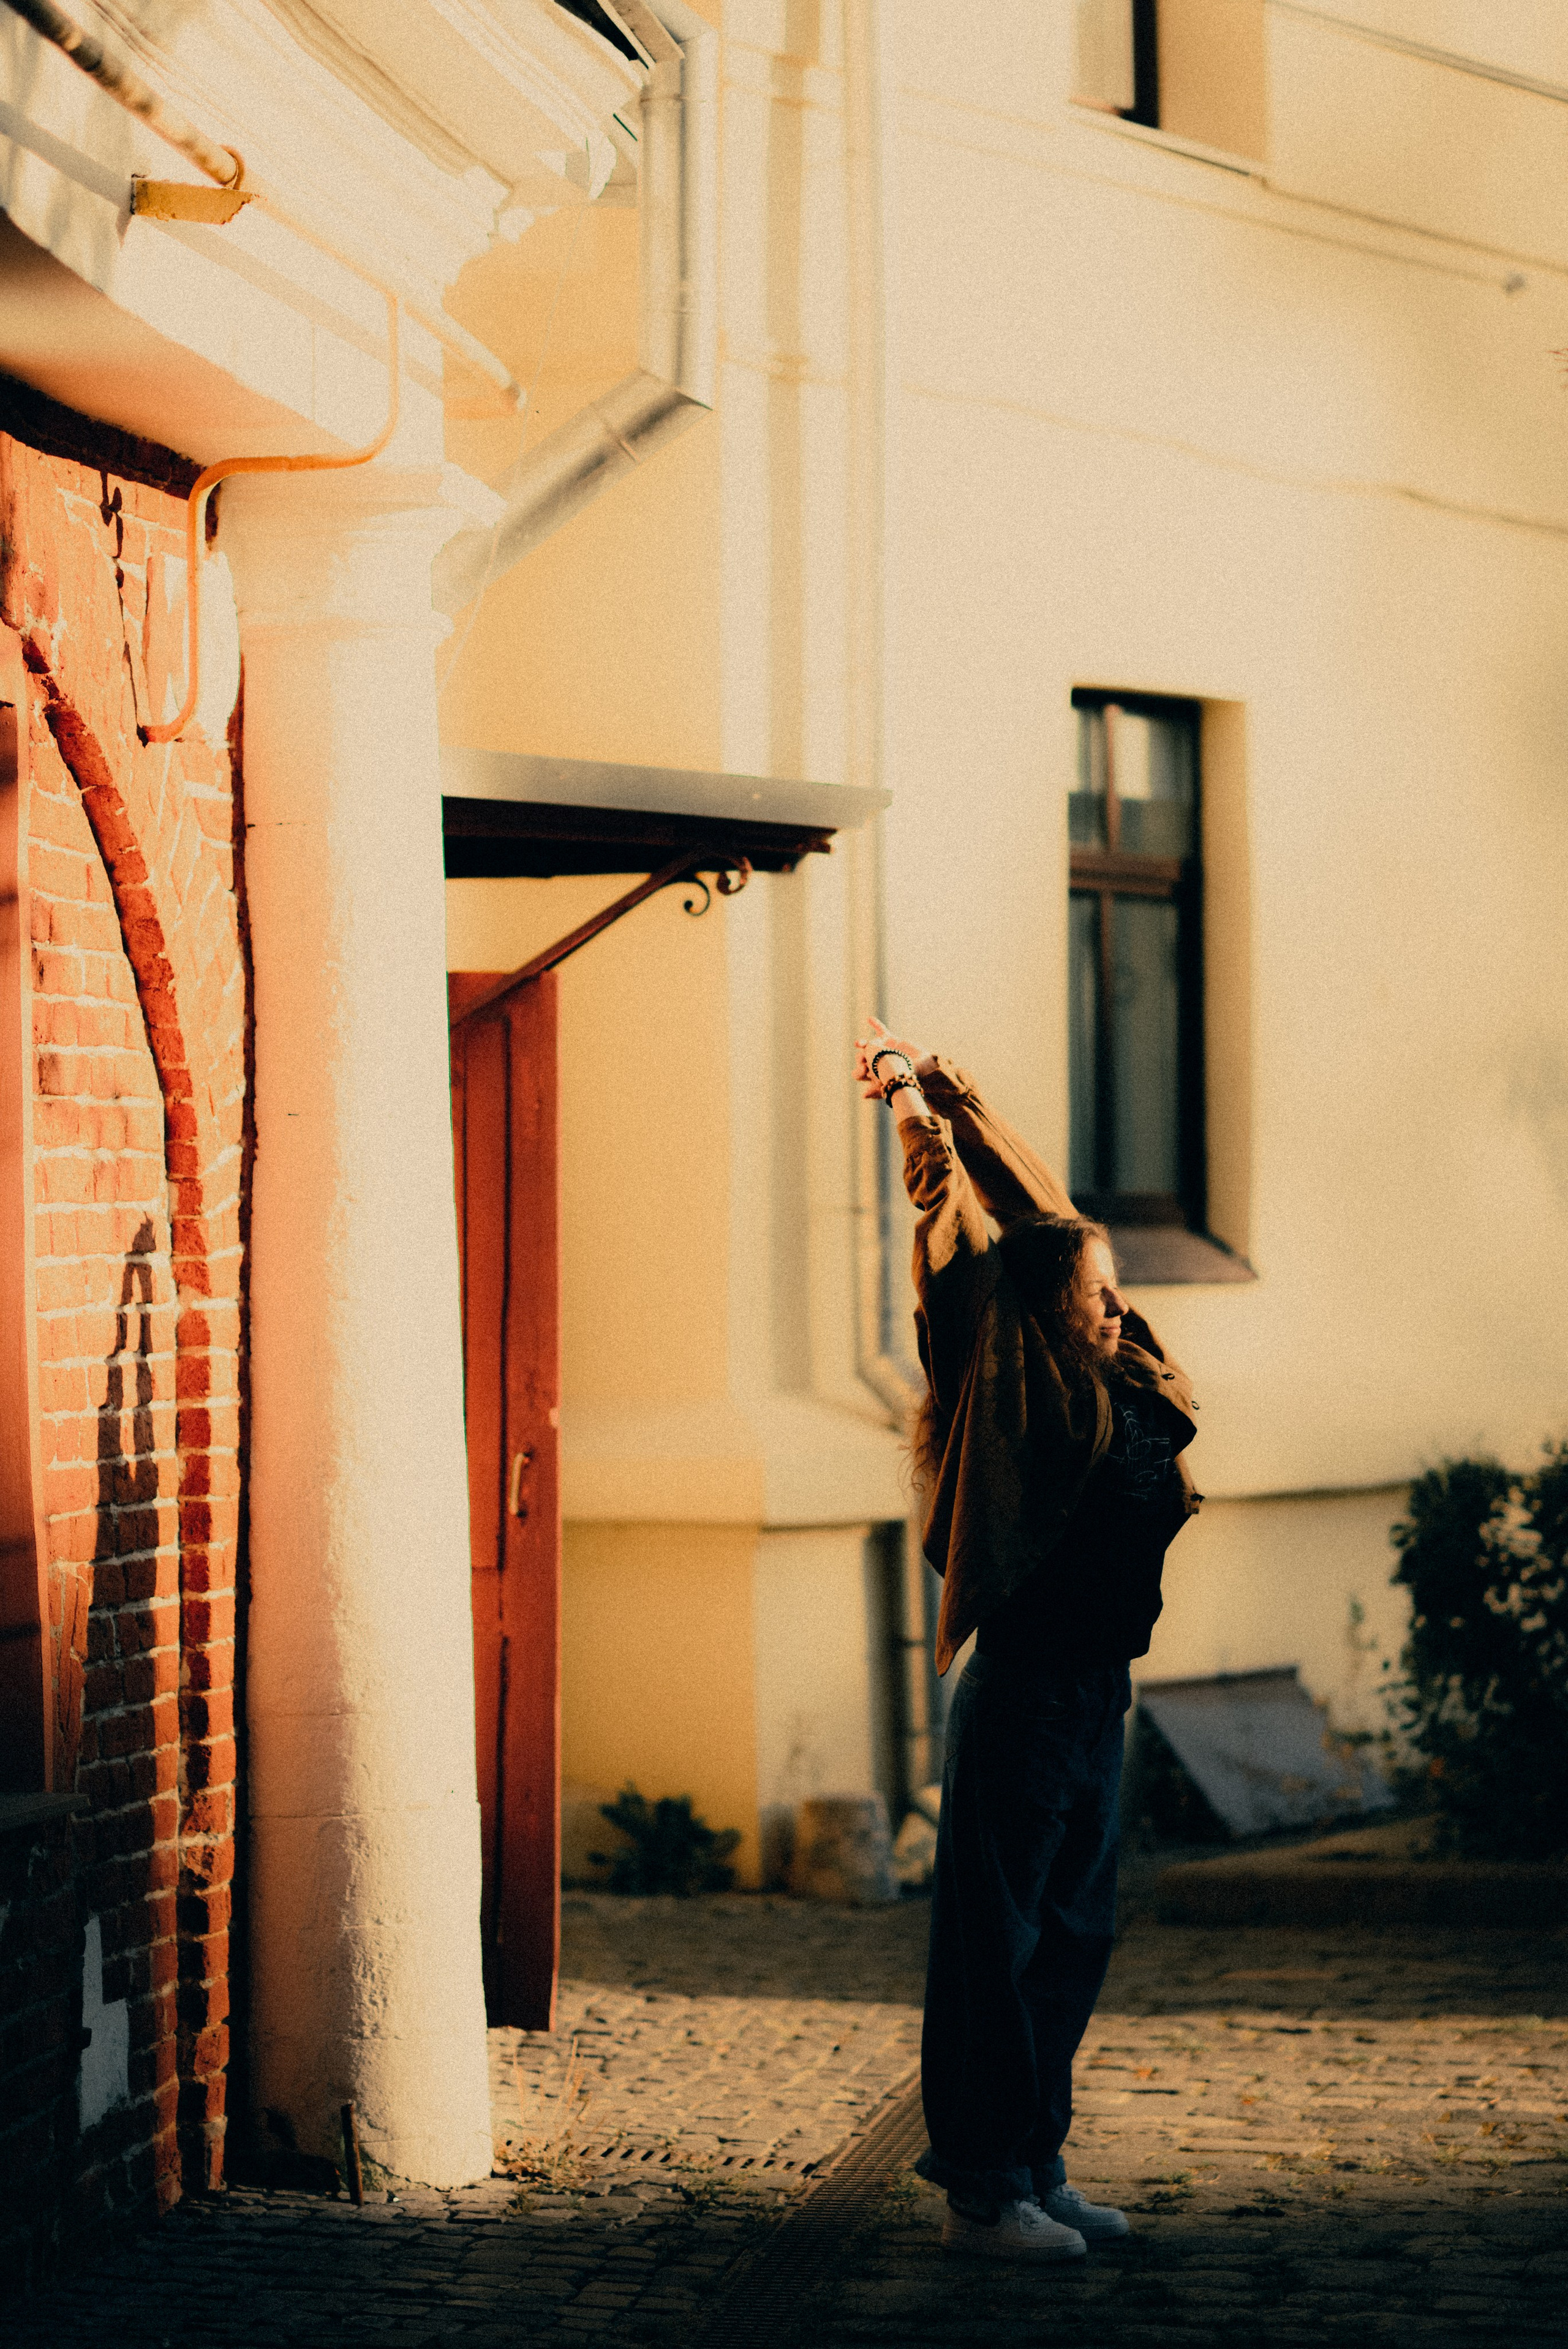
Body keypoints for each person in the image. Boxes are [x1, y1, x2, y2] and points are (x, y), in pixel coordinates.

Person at [853, 1015, 1200, 2263]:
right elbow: (956, 1227)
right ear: (1048, 1305)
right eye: (1096, 1290)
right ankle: (981, 2191)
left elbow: (1047, 1213)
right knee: (992, 1951)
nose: (1117, 1303)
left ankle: (1036, 2165)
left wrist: (967, 1092)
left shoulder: (1127, 1372)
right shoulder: (1000, 1380)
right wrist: (911, 1105)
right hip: (1020, 1695)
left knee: (1070, 1939)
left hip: (1097, 1693)